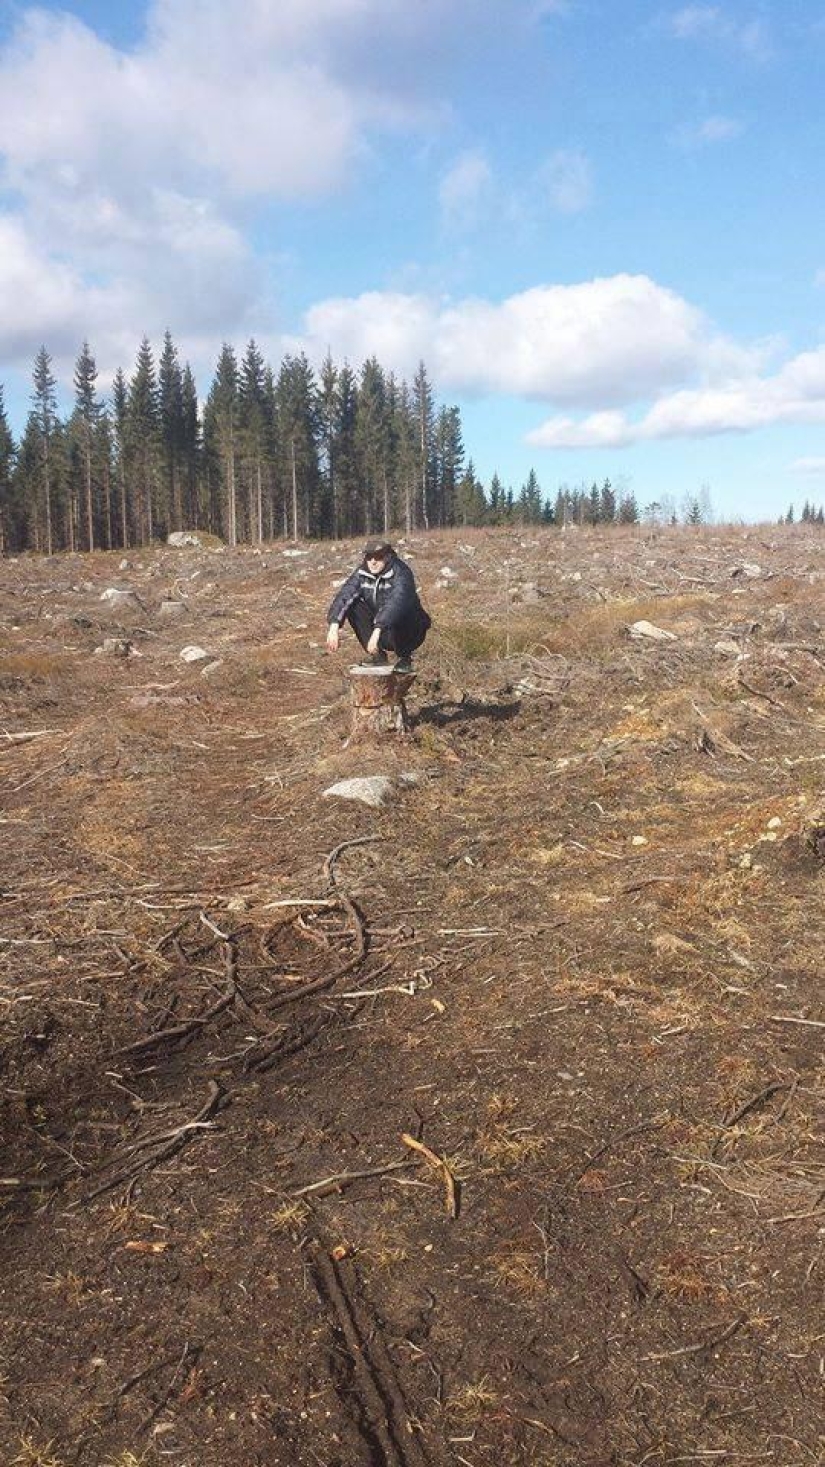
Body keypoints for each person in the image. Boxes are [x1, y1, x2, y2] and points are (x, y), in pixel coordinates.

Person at [326, 540, 431, 674]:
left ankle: (405, 658)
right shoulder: (362, 573)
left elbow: (396, 603)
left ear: (388, 557)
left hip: (410, 632)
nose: (373, 562)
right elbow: (345, 595)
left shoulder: (401, 573)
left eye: (379, 557)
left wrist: (377, 630)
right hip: (381, 630)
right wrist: (334, 625)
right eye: (369, 557)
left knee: (402, 611)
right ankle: (377, 656)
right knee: (354, 606)